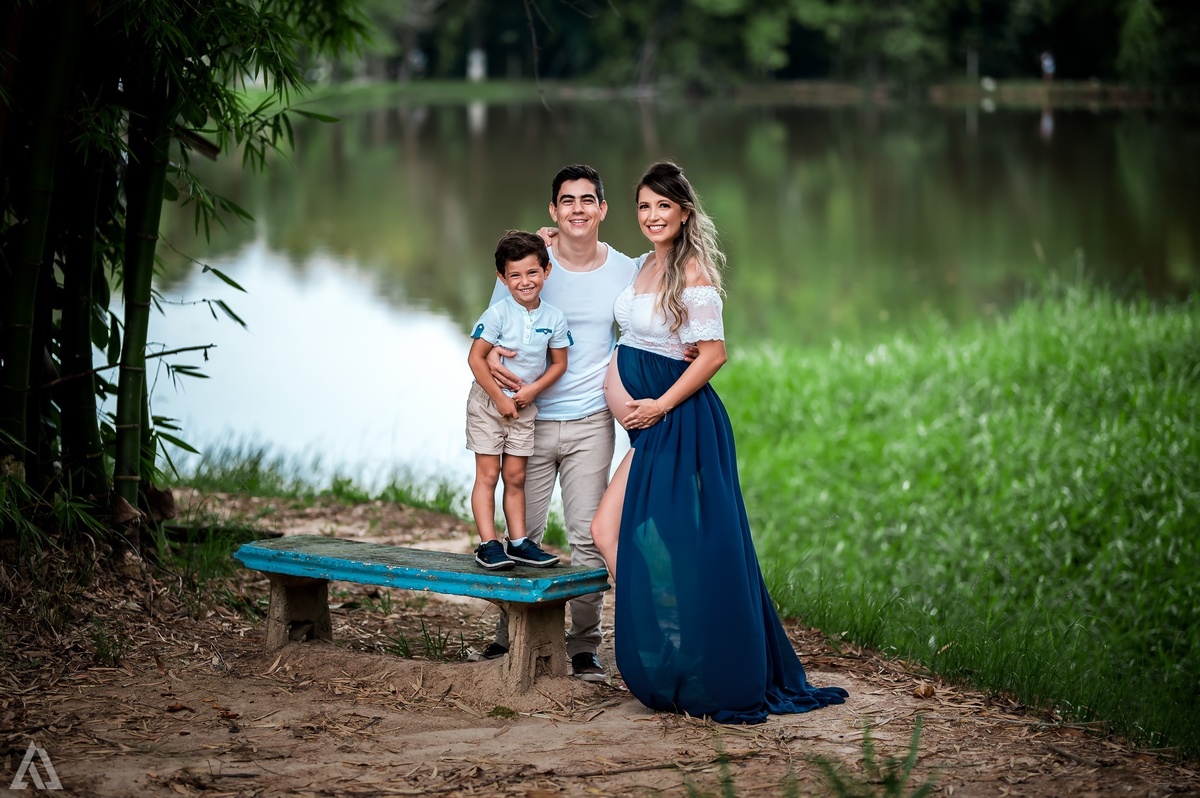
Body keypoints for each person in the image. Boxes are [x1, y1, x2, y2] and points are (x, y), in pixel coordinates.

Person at [590, 160, 849, 723]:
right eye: (644, 206)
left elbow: (713, 354)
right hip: (653, 428)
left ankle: (696, 663)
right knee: (609, 532)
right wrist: (550, 238)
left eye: (663, 206)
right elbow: (610, 298)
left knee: (683, 544)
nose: (652, 216)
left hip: (681, 424)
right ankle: (671, 652)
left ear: (684, 212)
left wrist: (658, 402)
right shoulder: (640, 268)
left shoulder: (694, 274)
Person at [470, 165, 638, 682]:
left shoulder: (626, 270)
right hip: (530, 421)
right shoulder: (532, 265)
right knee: (527, 531)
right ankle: (511, 636)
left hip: (591, 420)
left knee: (589, 536)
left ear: (603, 209)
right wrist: (501, 389)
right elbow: (492, 341)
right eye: (568, 201)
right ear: (553, 211)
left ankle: (585, 646)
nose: (578, 209)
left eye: (589, 200)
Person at [466, 230, 570, 570]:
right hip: (488, 404)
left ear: (546, 271)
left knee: (515, 477)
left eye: (532, 272)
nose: (525, 282)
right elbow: (476, 359)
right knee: (488, 475)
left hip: (524, 408)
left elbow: (559, 363)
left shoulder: (553, 318)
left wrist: (531, 391)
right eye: (515, 275)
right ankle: (487, 544)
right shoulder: (498, 314)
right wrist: (500, 398)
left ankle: (519, 542)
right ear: (502, 277)